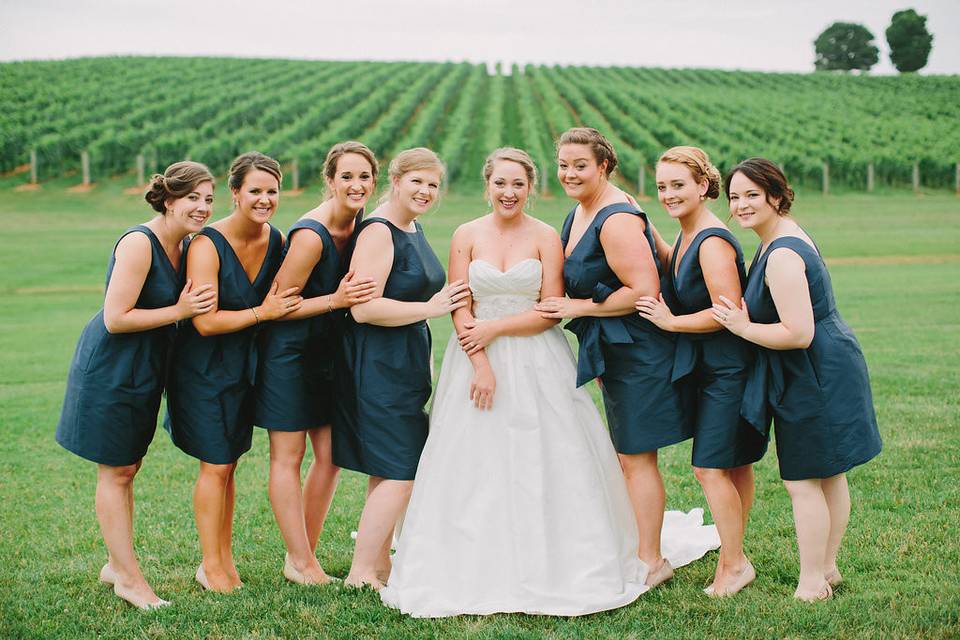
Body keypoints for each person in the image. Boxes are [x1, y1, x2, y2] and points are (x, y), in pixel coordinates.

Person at [379, 147, 650, 617]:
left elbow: (548, 310)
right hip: (472, 358)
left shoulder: (547, 236)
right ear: (487, 186)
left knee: (546, 452)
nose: (509, 193)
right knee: (472, 457)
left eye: (518, 184)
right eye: (500, 183)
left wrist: (497, 328)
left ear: (530, 188)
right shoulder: (466, 235)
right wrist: (482, 362)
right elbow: (461, 304)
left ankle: (555, 555)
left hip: (536, 358)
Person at [535, 128, 714, 588]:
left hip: (640, 351)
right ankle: (642, 545)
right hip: (612, 349)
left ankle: (652, 561)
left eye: (581, 165)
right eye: (564, 164)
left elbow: (644, 291)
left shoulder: (614, 218)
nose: (570, 173)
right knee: (626, 455)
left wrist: (576, 307)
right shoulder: (581, 211)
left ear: (604, 167)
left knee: (636, 457)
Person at [714, 157, 882, 601]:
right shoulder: (780, 235)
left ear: (775, 194)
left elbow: (798, 332)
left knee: (805, 479)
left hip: (814, 370)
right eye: (735, 196)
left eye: (752, 194)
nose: (742, 204)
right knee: (829, 473)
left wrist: (742, 327)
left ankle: (813, 580)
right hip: (824, 361)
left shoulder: (783, 253)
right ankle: (827, 569)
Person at [55, 161, 216, 609]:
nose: (202, 207)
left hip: (146, 367)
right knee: (116, 470)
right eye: (192, 198)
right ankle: (127, 577)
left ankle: (115, 564)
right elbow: (116, 317)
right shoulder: (139, 243)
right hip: (112, 367)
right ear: (168, 200)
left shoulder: (183, 244)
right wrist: (179, 312)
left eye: (208, 199)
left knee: (129, 468)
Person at [333, 148, 470, 589]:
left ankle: (379, 566)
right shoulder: (378, 232)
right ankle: (360, 572)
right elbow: (364, 310)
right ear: (396, 180)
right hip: (379, 365)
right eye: (417, 182)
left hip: (405, 361)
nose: (425, 191)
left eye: (433, 184)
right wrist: (429, 307)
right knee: (403, 471)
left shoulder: (412, 226)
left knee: (387, 470)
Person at [165, 151, 301, 593]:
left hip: (246, 369)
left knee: (230, 466)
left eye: (272, 191)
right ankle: (210, 564)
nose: (264, 199)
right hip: (204, 370)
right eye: (255, 191)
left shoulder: (276, 239)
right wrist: (263, 313)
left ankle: (222, 560)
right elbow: (205, 322)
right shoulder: (206, 244)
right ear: (236, 192)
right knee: (216, 466)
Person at [636, 147, 768, 596]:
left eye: (678, 185)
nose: (669, 194)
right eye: (662, 187)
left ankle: (734, 565)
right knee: (733, 466)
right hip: (713, 368)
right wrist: (648, 228)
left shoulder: (712, 240)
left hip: (728, 371)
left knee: (709, 468)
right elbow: (680, 261)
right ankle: (734, 551)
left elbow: (725, 311)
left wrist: (671, 322)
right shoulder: (691, 233)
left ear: (703, 186)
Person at [255, 142, 378, 585]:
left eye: (364, 176)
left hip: (330, 355)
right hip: (289, 354)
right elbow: (276, 305)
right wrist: (336, 300)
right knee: (288, 456)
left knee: (330, 456)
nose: (356, 185)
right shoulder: (310, 235)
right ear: (330, 181)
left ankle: (300, 555)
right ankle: (302, 561)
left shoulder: (364, 224)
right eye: (346, 176)